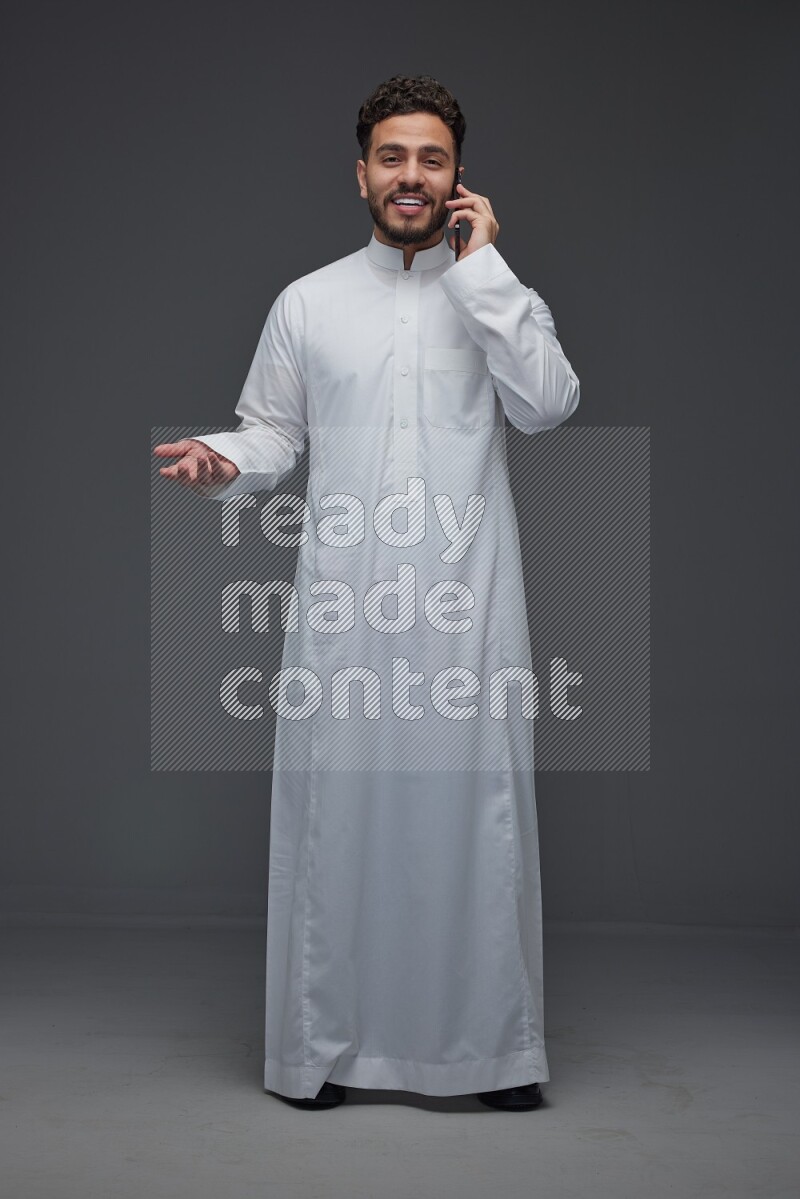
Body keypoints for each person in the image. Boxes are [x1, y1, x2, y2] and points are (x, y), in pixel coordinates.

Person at [153, 75, 580, 1113]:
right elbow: (272, 432)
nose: (410, 176)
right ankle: (322, 1048)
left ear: (457, 178)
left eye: (430, 159)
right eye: (392, 157)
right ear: (360, 173)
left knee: (472, 818)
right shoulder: (310, 300)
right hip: (343, 605)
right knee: (336, 818)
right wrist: (226, 458)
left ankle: (491, 1051)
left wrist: (482, 274)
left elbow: (548, 404)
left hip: (465, 604)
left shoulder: (497, 295)